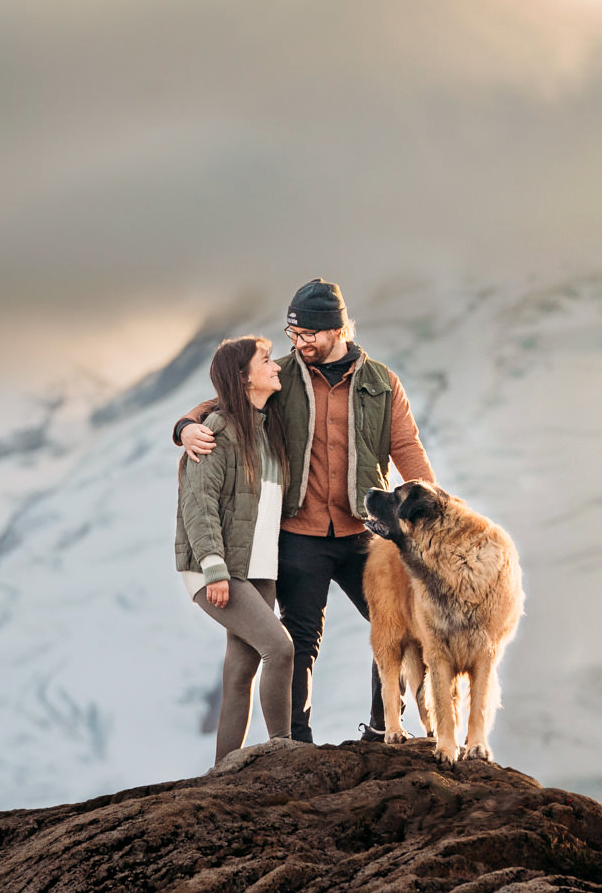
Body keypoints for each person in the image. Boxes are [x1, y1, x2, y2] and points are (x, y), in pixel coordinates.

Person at [175, 279, 435, 743]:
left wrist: (429, 506)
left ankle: (382, 730)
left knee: (398, 624)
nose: (298, 343)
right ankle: (296, 743)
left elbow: (406, 447)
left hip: (364, 533)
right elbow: (221, 402)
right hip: (299, 533)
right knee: (299, 639)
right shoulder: (281, 376)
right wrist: (185, 427)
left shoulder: (381, 382)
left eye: (307, 335)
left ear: (335, 329)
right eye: (292, 334)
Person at [175, 335, 294, 764]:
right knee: (279, 649)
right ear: (244, 378)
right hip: (218, 566)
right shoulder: (216, 432)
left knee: (241, 669)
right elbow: (198, 503)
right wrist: (214, 568)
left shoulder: (267, 427)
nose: (276, 366)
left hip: (256, 565)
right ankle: (286, 751)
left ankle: (224, 771)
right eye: (266, 361)